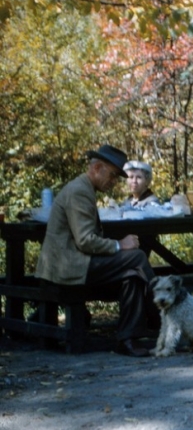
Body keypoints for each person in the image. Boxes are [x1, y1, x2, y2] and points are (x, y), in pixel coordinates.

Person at [35, 145, 156, 357]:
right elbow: (85, 241)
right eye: (112, 175)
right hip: (69, 267)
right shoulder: (79, 191)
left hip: (75, 262)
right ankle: (161, 313)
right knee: (136, 257)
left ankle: (128, 340)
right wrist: (120, 244)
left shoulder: (84, 188)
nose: (114, 182)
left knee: (132, 275)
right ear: (97, 168)